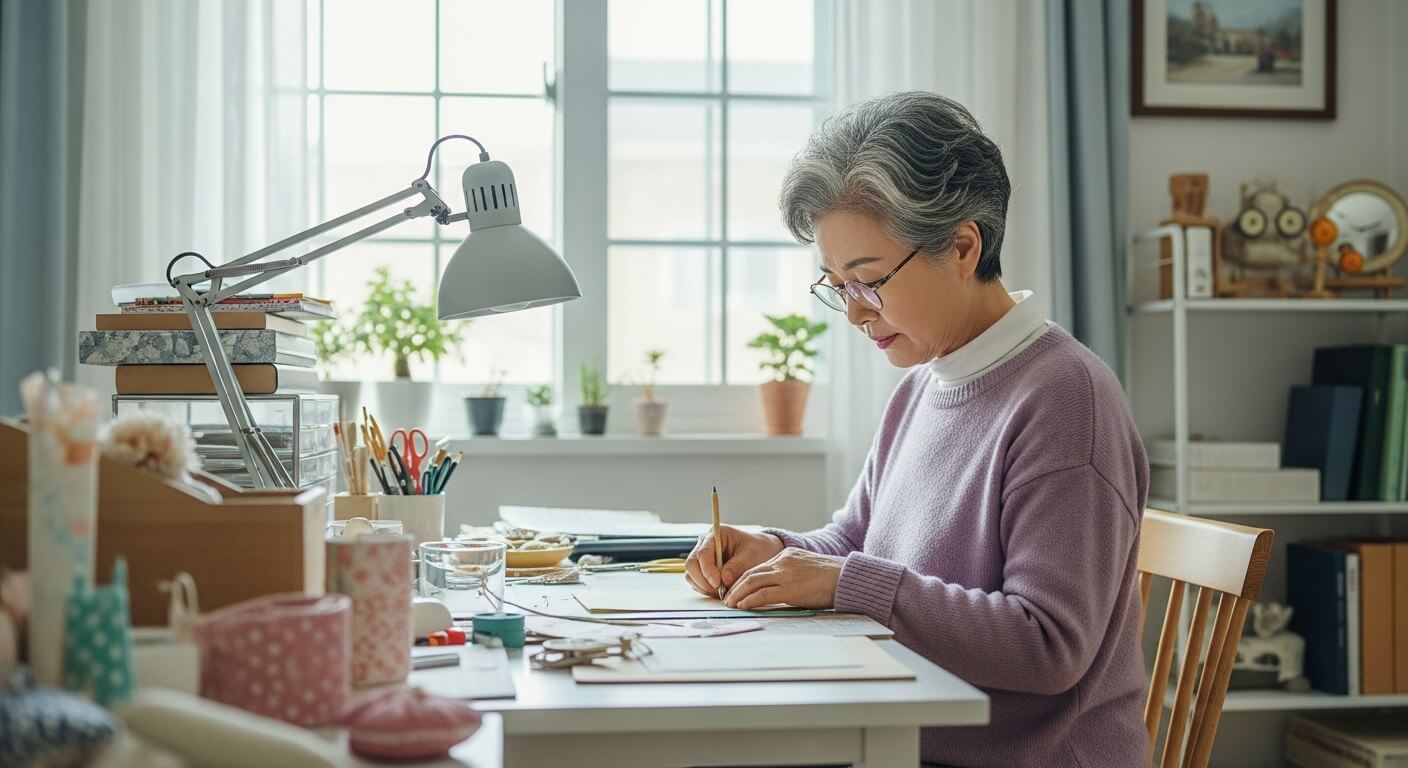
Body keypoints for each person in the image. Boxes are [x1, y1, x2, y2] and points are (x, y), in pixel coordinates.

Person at [684, 91, 1149, 768]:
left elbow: (1048, 645)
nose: (853, 312)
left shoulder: (1065, 399)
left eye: (868, 281)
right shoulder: (923, 386)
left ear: (963, 246)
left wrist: (843, 582)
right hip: (901, 741)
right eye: (836, 284)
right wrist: (772, 549)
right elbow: (853, 542)